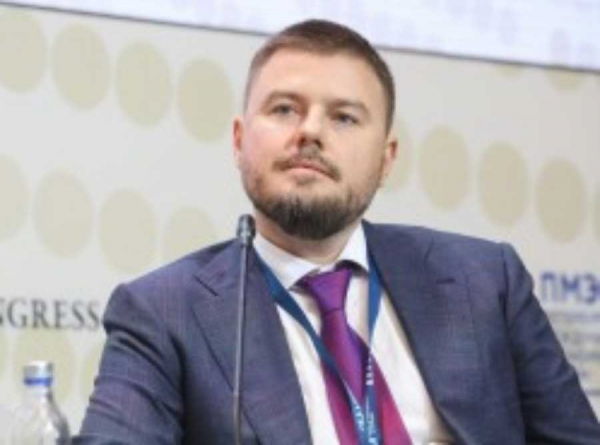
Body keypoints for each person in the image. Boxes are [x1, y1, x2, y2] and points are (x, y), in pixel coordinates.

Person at [76, 19, 600, 444]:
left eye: (344, 118)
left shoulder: (484, 282)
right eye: (285, 109)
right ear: (239, 141)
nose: (310, 131)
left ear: (386, 158)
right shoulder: (164, 313)